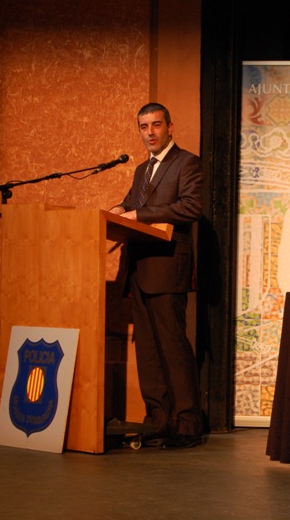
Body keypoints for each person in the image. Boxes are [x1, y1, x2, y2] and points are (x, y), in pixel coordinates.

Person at [109, 102, 205, 448]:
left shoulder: (187, 163)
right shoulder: (140, 170)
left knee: (173, 348)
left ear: (170, 127)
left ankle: (187, 424)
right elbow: (132, 205)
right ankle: (158, 420)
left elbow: (192, 207)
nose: (149, 132)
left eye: (156, 125)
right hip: (139, 269)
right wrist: (119, 209)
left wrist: (140, 214)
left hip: (167, 267)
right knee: (148, 351)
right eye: (143, 127)